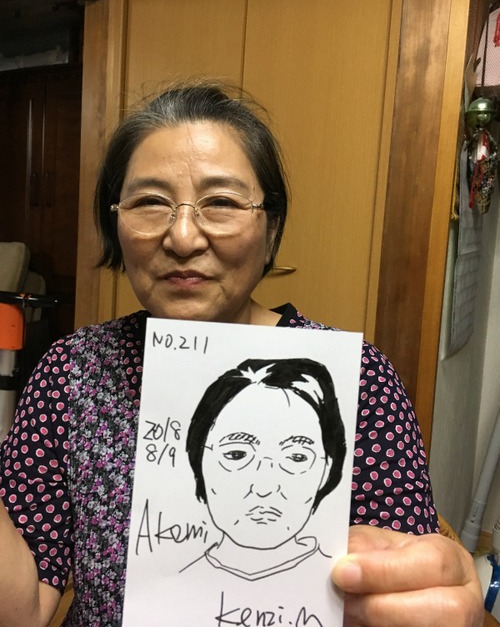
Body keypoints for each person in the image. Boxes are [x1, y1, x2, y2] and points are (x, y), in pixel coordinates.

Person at [0, 81, 483, 626]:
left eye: (223, 203)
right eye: (150, 202)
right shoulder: (72, 371)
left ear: (271, 228)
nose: (183, 238)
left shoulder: (359, 382)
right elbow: (22, 613)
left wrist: (427, 602)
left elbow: (402, 589)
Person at [183, 357, 345, 580]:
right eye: (236, 455)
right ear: (199, 459)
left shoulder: (337, 585)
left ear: (327, 469)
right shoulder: (167, 586)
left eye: (297, 457)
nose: (264, 488)